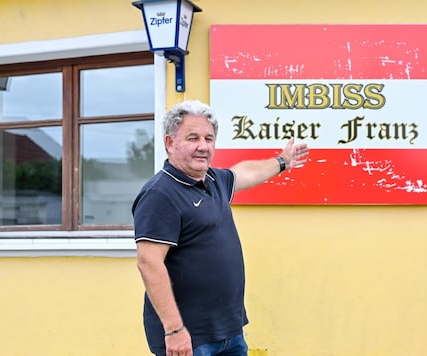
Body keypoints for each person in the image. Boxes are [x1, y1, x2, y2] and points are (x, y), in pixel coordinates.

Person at [131, 100, 309, 356]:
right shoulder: (160, 194)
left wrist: (282, 161)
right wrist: (174, 330)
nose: (203, 146)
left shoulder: (213, 180)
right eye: (192, 138)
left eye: (209, 138)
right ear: (170, 143)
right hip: (190, 339)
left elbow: (245, 173)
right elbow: (149, 263)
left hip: (228, 332)